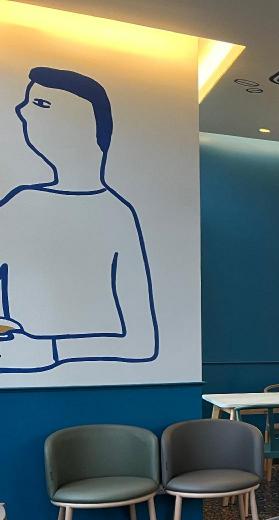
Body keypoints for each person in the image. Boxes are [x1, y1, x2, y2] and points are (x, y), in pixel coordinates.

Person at [0, 66, 158, 373]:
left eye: (41, 104)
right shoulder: (19, 205)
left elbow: (142, 342)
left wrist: (49, 350)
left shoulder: (118, 215)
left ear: (84, 125)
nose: (22, 111)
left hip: (101, 382)